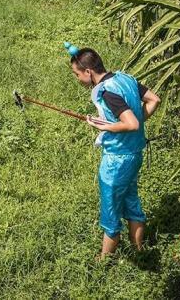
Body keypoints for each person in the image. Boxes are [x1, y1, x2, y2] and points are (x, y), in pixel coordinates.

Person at [67, 44, 161, 259]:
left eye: (77, 74)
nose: (77, 79)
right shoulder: (124, 78)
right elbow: (154, 100)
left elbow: (132, 124)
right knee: (131, 200)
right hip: (135, 154)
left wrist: (105, 126)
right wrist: (130, 121)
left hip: (117, 160)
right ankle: (139, 250)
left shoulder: (108, 92)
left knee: (110, 212)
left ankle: (103, 262)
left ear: (88, 72)